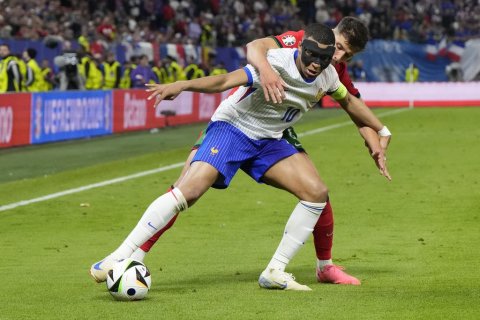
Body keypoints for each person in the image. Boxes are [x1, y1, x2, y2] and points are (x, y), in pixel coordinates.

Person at [91, 23, 390, 291]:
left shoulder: (329, 72)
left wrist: (380, 131)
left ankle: (277, 270)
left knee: (317, 193)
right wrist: (182, 86)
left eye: (341, 55)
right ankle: (123, 255)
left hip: (272, 137)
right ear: (305, 45)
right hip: (233, 128)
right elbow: (230, 75)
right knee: (188, 191)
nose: (332, 58)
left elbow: (351, 103)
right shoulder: (285, 52)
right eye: (334, 49)